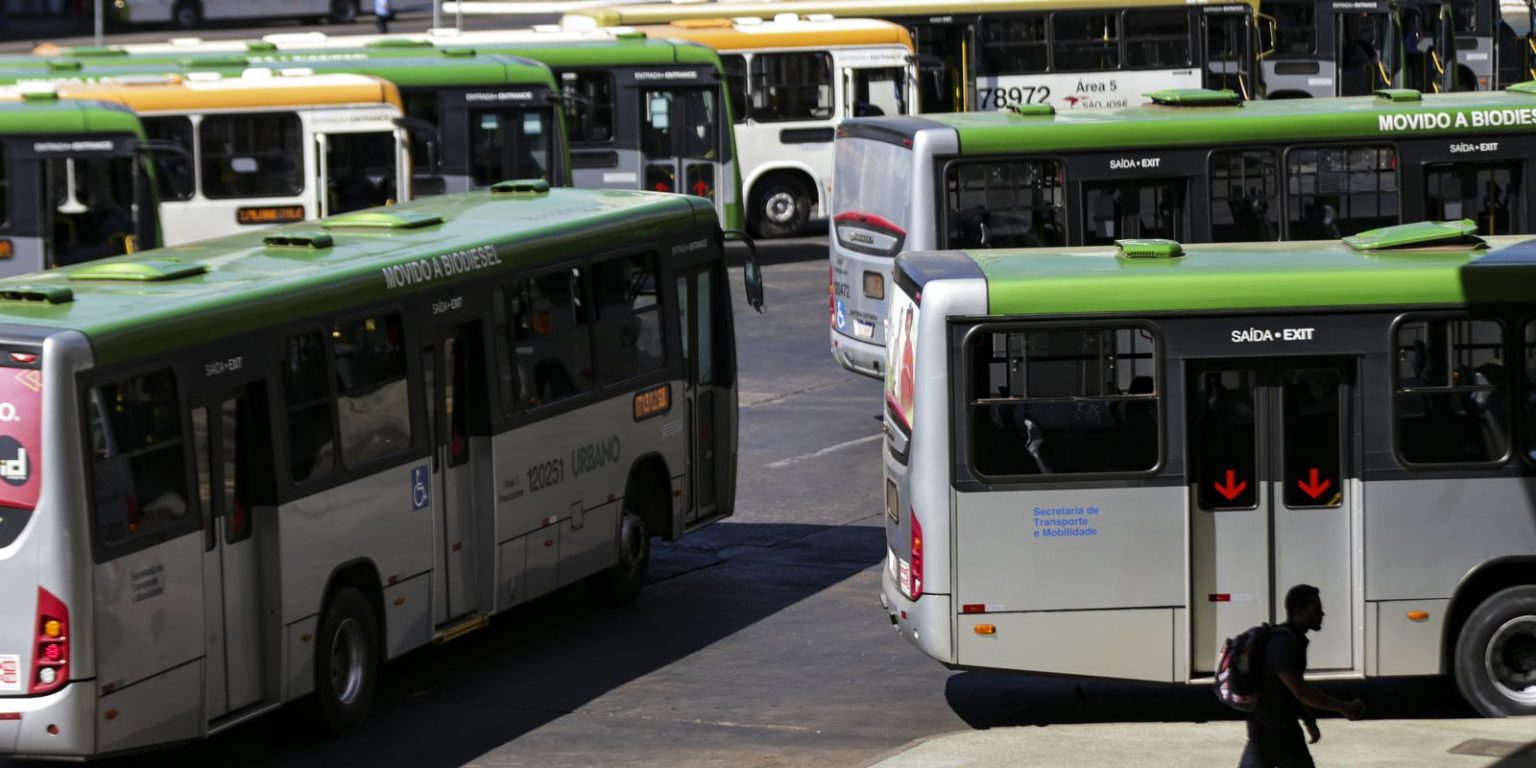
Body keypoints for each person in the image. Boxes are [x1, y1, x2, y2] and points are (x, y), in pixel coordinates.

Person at [1240, 584, 1368, 768]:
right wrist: (1344, 707)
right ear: (1297, 610)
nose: (1322, 615)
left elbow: (1291, 690)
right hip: (1269, 728)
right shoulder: (1283, 643)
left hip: (1283, 727)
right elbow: (1300, 691)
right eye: (1316, 610)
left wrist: (1308, 720)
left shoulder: (1293, 639)